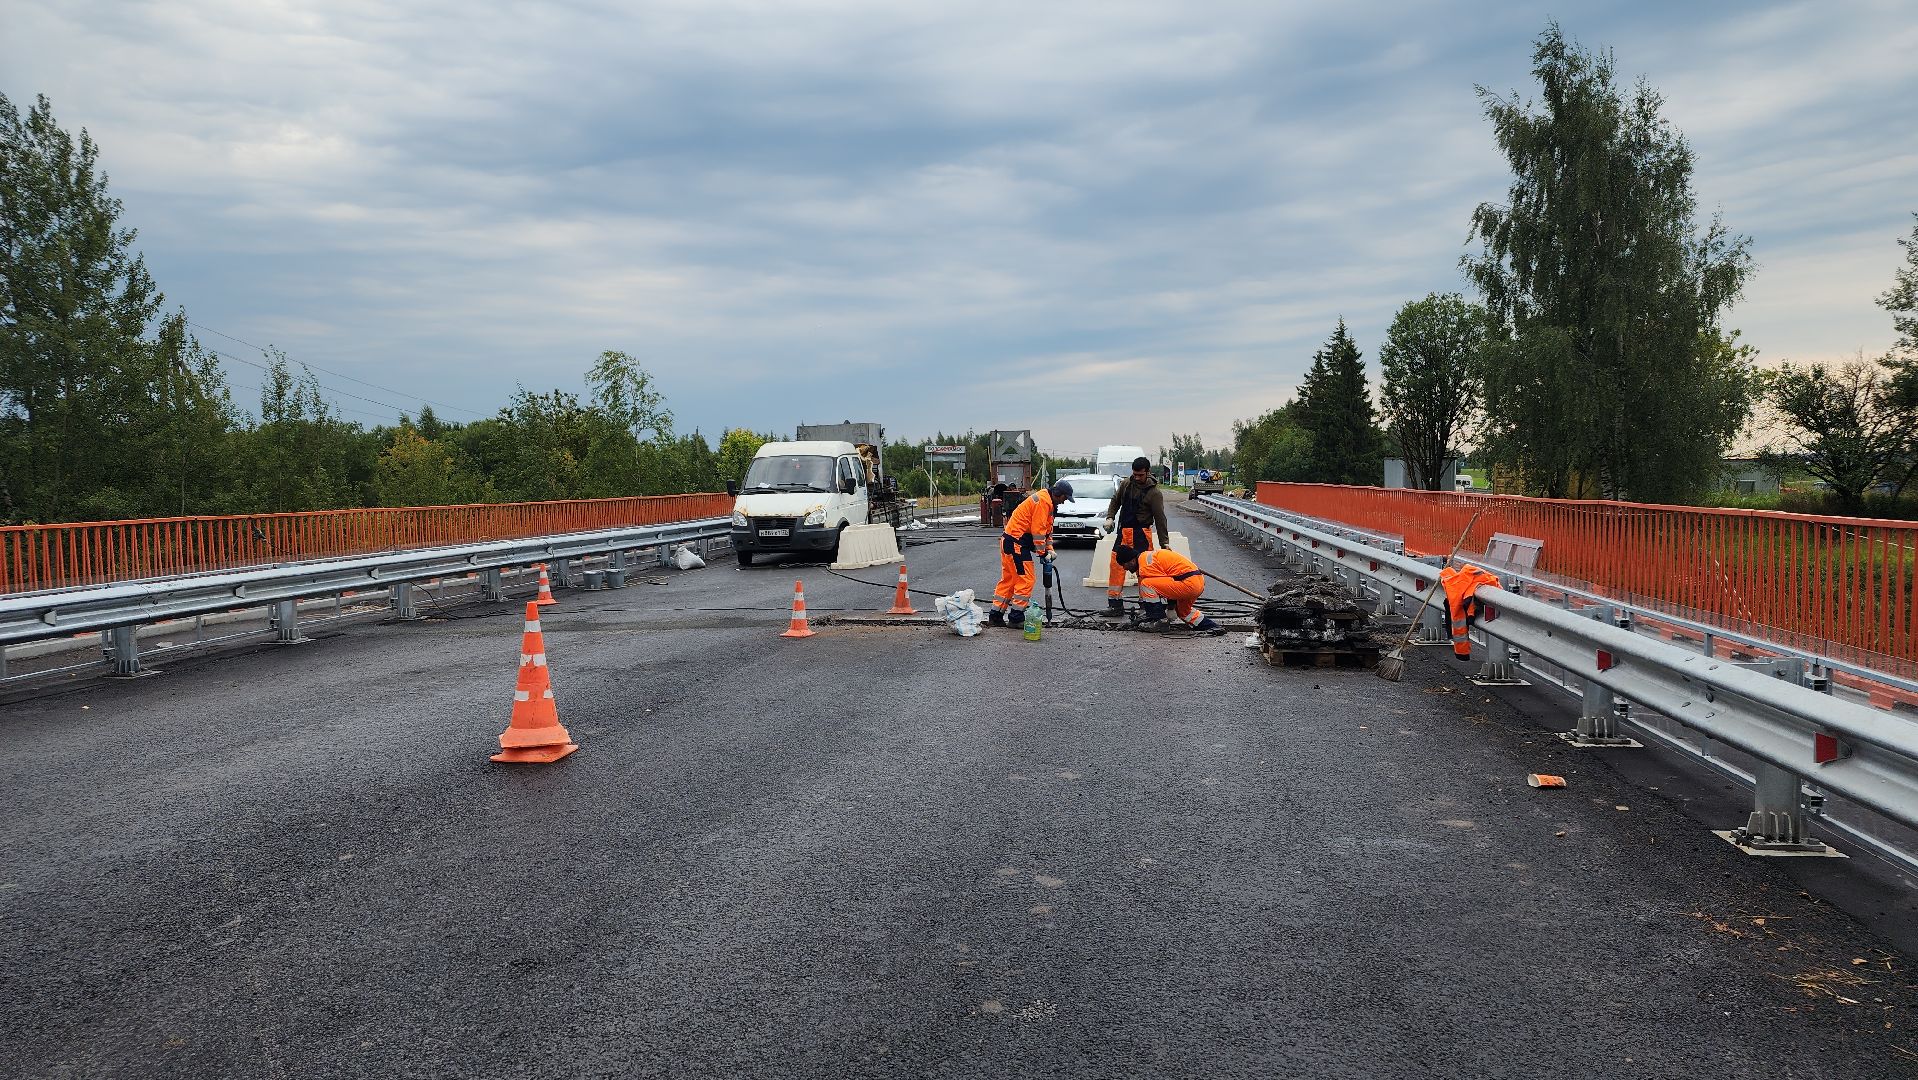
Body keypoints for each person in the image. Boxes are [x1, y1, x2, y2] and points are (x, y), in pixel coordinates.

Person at [989, 479, 1073, 628]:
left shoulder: (1047, 501)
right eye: (1064, 498)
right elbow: (1038, 531)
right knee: (1026, 579)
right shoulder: (1044, 502)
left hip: (1010, 541)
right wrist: (1042, 553)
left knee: (1010, 580)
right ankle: (1016, 617)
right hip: (1016, 543)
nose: (1064, 502)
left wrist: (1050, 549)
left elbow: (1047, 531)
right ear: (1058, 494)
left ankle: (996, 616)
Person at [1099, 456, 1170, 617]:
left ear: (1148, 472)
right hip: (1123, 532)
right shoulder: (1126, 484)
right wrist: (1110, 517)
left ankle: (1146, 606)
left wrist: (1164, 542)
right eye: (1135, 474)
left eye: (1140, 475)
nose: (1137, 478)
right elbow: (1115, 501)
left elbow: (1160, 519)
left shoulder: (1154, 493)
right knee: (1116, 566)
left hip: (1141, 535)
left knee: (1145, 570)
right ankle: (1115, 605)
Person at [1112, 544, 1223, 634]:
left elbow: (1162, 587)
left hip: (1187, 583)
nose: (1124, 568)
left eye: (1124, 564)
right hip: (1197, 582)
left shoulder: (1145, 565)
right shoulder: (1148, 557)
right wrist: (1172, 608)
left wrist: (1165, 610)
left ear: (1131, 560)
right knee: (1184, 612)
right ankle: (1212, 627)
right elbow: (1168, 583)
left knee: (1147, 584)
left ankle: (1158, 621)